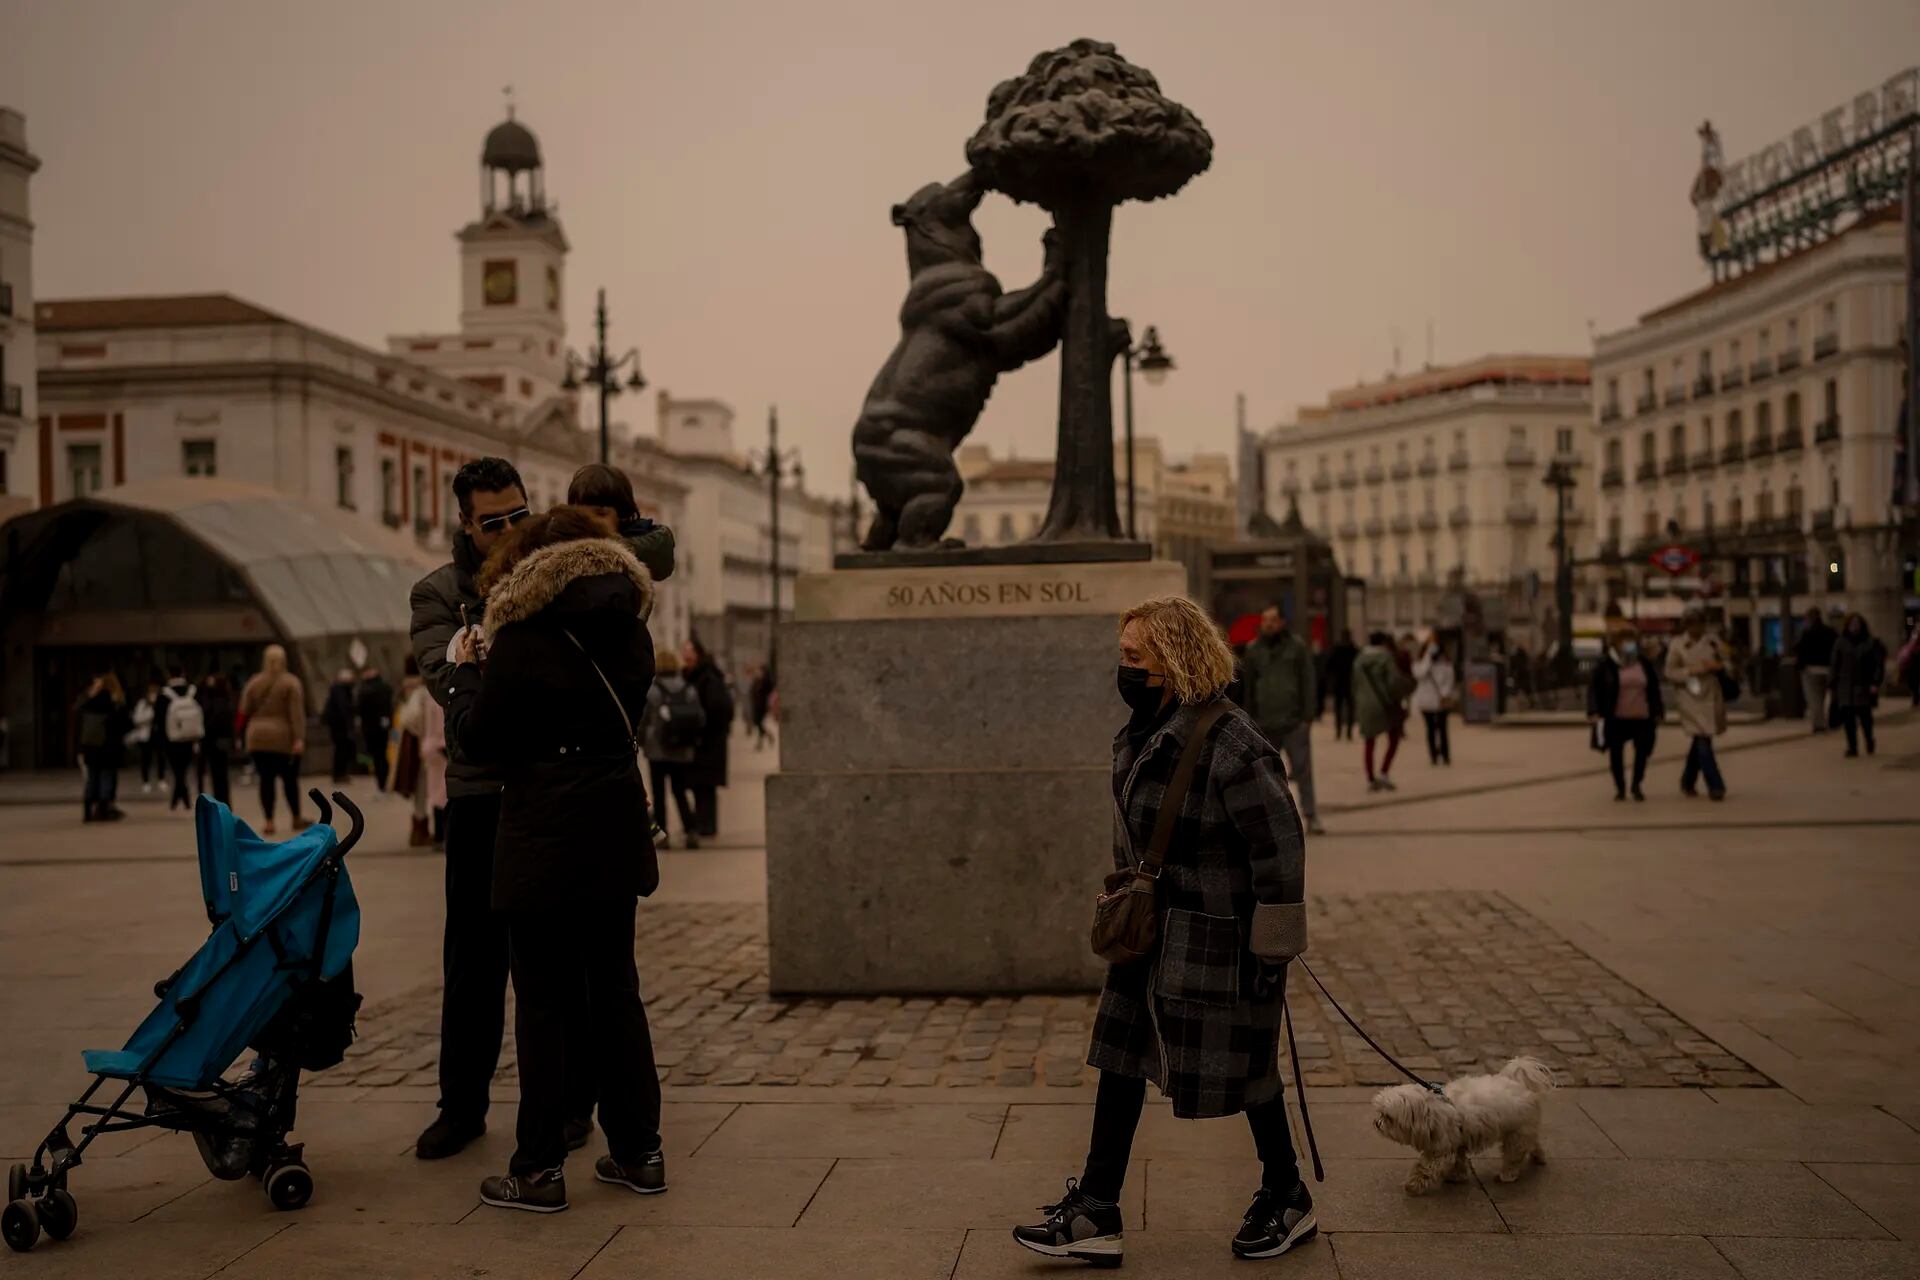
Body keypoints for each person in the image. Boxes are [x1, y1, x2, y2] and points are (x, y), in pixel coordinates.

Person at [1014, 595, 1311, 1266]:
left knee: (1249, 1074)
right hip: (1151, 936)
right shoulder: (1148, 730)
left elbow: (1281, 852)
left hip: (1216, 942)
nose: (1123, 668)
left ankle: (1287, 1192)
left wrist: (1272, 950)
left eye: (1134, 656)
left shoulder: (1234, 743)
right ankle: (1097, 1208)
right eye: (1121, 654)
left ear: (1174, 660)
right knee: (1118, 1062)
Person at [411, 457, 635, 1161]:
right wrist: (485, 660)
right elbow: (447, 680)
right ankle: (462, 1103)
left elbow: (640, 552)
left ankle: (572, 1107)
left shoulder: (560, 570)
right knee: (473, 958)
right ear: (464, 523)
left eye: (518, 514)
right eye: (492, 522)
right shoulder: (439, 592)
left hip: (548, 796)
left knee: (558, 967)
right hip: (481, 794)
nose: (509, 530)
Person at [446, 505, 665, 1213]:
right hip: (614, 819)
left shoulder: (522, 638)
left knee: (542, 1001)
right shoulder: (633, 630)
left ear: (531, 562)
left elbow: (481, 740)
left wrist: (464, 677)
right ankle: (640, 1152)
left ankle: (538, 1169)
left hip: (544, 829)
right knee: (616, 991)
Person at [1239, 604, 1324, 835]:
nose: (1269, 624)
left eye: (1273, 620)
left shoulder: (1296, 647)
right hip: (1264, 724)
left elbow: (1308, 680)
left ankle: (1311, 815)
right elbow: (1249, 687)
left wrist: (1308, 715)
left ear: (1282, 623)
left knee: (1303, 771)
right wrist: (1249, 718)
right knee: (1265, 776)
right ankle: (1269, 820)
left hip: (1294, 722)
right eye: (1265, 620)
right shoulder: (1254, 649)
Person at [564, 462, 678, 582]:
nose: (590, 522)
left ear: (622, 515)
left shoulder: (637, 549)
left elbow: (659, 554)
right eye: (581, 515)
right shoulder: (561, 543)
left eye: (600, 514)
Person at [1587, 627, 1663, 801]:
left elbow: (1653, 689)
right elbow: (1594, 690)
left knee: (1642, 751)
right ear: (1616, 643)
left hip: (1642, 716)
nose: (1629, 644)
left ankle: (1637, 785)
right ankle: (1620, 788)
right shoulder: (1606, 664)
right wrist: (1594, 712)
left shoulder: (1643, 663)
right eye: (1625, 640)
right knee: (1616, 754)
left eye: (1632, 640)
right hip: (1616, 717)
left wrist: (1657, 710)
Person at [640, 646, 705, 849]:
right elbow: (700, 719)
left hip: (657, 750)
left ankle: (663, 836)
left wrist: (641, 741)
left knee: (659, 794)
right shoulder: (689, 689)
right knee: (680, 792)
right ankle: (691, 831)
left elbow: (643, 721)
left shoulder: (652, 691)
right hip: (682, 750)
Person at [240, 644, 308, 833]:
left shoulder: (254, 682)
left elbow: (244, 709)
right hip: (282, 737)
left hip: (257, 737)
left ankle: (269, 821)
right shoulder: (291, 683)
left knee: (266, 780)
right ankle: (296, 817)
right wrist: (299, 738)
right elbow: (296, 714)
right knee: (290, 779)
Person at [1665, 608, 1729, 801]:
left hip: (1710, 693)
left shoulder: (1713, 641)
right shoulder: (1677, 645)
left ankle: (1687, 781)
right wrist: (1691, 671)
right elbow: (1669, 672)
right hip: (1689, 695)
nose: (1697, 628)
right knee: (1702, 739)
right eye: (1693, 624)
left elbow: (1728, 661)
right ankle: (1716, 785)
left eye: (1700, 624)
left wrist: (1717, 666)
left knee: (1701, 739)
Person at [682, 639, 734, 840]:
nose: (684, 655)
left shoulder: (707, 677)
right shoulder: (698, 675)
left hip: (708, 741)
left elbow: (719, 710)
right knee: (700, 784)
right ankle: (705, 823)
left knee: (705, 785)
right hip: (705, 740)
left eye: (688, 651)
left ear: (698, 654)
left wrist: (701, 728)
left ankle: (707, 825)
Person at [1353, 630, 1412, 791]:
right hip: (1385, 704)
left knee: (1369, 741)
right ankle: (1384, 772)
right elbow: (1393, 683)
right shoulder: (1386, 658)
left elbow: (1354, 685)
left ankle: (1371, 778)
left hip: (1365, 704)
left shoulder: (1359, 660)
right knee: (1394, 737)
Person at [76, 671, 130, 823]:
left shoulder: (89, 703)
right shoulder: (114, 704)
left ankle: (87, 811)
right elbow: (123, 725)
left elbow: (79, 721)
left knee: (91, 778)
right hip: (108, 748)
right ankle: (104, 809)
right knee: (106, 777)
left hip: (90, 747)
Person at [1830, 613, 1886, 758]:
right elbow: (1835, 664)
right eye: (1852, 624)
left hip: (1863, 685)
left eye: (1857, 624)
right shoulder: (1840, 643)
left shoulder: (1870, 643)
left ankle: (1869, 740)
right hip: (1845, 686)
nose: (1854, 627)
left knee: (1865, 717)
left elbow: (1878, 665)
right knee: (1849, 720)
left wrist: (1875, 682)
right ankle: (1852, 747)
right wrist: (1832, 684)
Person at [394, 656, 435, 846]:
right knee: (423, 783)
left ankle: (418, 829)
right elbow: (414, 717)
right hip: (421, 741)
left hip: (409, 741)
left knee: (419, 785)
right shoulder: (422, 690)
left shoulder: (405, 688)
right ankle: (421, 830)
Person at [155, 666, 205, 812]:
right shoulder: (193, 691)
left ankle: (179, 799)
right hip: (191, 737)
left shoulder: (163, 694)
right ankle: (182, 799)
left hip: (171, 738)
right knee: (183, 768)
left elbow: (159, 719)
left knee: (177, 770)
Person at [1411, 634, 1456, 766]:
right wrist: (1428, 658)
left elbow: (1449, 681)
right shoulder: (1420, 663)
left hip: (1442, 700)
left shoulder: (1446, 664)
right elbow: (1420, 674)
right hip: (1426, 700)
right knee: (1430, 729)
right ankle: (1433, 756)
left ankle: (1445, 755)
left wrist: (1444, 694)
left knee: (1442, 728)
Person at [1793, 607, 1837, 734]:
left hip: (1810, 670)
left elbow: (1799, 650)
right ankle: (1822, 720)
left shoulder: (1806, 633)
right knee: (1822, 697)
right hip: (1827, 669)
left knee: (1814, 699)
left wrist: (1800, 666)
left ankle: (1819, 724)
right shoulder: (1830, 632)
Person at [196, 672, 236, 807]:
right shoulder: (226, 699)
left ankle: (218, 800)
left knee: (214, 773)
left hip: (211, 739)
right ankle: (224, 801)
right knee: (221, 774)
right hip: (222, 740)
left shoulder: (209, 699)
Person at [356, 665, 394, 791]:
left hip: (371, 728)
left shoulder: (365, 689)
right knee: (382, 755)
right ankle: (386, 780)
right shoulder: (385, 687)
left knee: (377, 756)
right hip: (383, 726)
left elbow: (359, 707)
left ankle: (381, 783)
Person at [323, 669, 358, 783]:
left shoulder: (337, 690)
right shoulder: (341, 691)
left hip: (337, 725)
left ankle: (340, 773)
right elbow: (344, 709)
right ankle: (339, 774)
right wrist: (349, 725)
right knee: (341, 750)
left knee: (341, 750)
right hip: (340, 726)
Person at [1325, 629, 1357, 740]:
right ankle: (1347, 732)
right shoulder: (1353, 650)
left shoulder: (1337, 649)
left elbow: (1329, 666)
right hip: (1348, 682)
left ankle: (1341, 731)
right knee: (1349, 708)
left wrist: (1331, 679)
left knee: (1340, 708)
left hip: (1341, 682)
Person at [130, 680, 160, 793]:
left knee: (159, 758)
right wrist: (151, 714)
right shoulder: (142, 704)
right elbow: (136, 719)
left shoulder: (160, 703)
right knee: (145, 759)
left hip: (157, 735)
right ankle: (145, 781)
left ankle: (161, 779)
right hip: (145, 736)